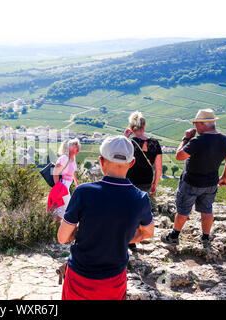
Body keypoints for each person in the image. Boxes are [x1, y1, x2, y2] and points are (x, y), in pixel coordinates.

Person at [58, 135, 154, 300]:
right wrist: (119, 237)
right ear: (131, 163)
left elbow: (62, 237)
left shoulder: (84, 192)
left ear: (101, 161)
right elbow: (148, 233)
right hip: (114, 279)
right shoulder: (140, 198)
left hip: (80, 277)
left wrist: (84, 234)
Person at [161, 109, 226, 246]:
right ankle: (206, 238)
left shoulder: (197, 141)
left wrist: (186, 138)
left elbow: (179, 156)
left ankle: (174, 236)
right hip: (211, 183)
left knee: (183, 210)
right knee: (207, 210)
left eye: (196, 124)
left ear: (202, 124)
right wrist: (225, 177)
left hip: (191, 182)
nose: (195, 127)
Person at [124, 111, 162, 251]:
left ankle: (129, 240)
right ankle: (137, 235)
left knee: (128, 209)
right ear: (144, 126)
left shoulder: (128, 142)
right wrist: (155, 184)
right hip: (146, 180)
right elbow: (158, 168)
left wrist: (124, 136)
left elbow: (119, 156)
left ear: (131, 126)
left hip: (129, 179)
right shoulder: (154, 143)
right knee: (139, 208)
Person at [52, 138, 80, 222]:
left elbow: (73, 172)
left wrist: (76, 183)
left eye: (78, 145)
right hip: (62, 185)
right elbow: (55, 173)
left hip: (66, 186)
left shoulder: (73, 158)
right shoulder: (64, 158)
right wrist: (58, 187)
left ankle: (53, 229)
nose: (78, 147)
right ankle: (57, 230)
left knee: (61, 210)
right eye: (75, 146)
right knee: (65, 209)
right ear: (69, 148)